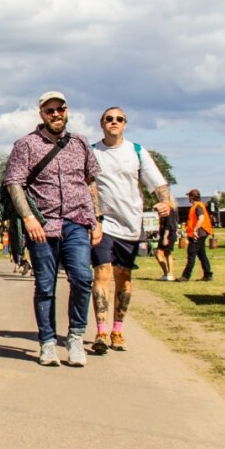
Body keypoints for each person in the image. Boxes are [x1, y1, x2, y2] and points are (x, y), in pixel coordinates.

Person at [3, 91, 101, 368]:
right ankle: (47, 342)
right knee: (46, 285)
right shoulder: (26, 145)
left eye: (60, 109)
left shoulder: (80, 142)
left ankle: (75, 337)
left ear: (67, 111)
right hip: (43, 225)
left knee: (83, 278)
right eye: (50, 110)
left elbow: (90, 181)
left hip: (77, 221)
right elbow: (14, 184)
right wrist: (28, 219)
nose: (56, 114)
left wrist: (97, 219)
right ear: (41, 115)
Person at [90, 107, 173, 354]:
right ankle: (101, 332)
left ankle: (117, 329)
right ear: (101, 123)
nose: (113, 122)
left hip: (131, 225)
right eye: (109, 119)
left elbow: (158, 183)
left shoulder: (136, 151)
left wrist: (165, 202)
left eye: (119, 119)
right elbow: (88, 186)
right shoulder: (93, 153)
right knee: (102, 275)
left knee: (123, 278)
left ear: (125, 124)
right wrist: (95, 219)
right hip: (105, 224)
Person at [179, 189, 214, 282]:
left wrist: (195, 229)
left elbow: (201, 218)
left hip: (198, 234)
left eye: (189, 196)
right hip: (202, 233)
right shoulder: (199, 205)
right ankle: (208, 275)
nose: (188, 198)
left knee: (191, 254)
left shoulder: (197, 206)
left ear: (191, 197)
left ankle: (185, 276)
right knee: (202, 254)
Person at [156, 204, 179, 281]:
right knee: (167, 253)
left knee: (159, 253)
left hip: (168, 234)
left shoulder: (169, 210)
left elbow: (168, 225)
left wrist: (165, 237)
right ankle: (167, 274)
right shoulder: (168, 209)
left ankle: (169, 273)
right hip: (165, 234)